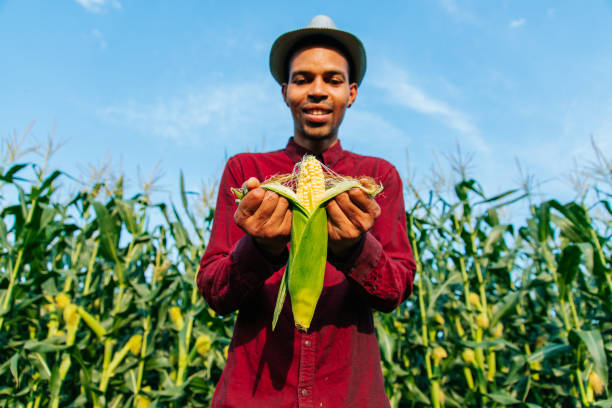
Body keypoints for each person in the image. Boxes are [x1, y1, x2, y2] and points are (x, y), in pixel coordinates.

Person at [197, 15, 416, 407]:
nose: (317, 91)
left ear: (351, 93)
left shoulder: (377, 178)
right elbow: (215, 291)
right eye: (302, 79)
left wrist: (354, 249)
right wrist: (261, 248)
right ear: (285, 92)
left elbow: (395, 290)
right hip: (255, 395)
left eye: (332, 80)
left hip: (348, 395)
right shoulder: (247, 174)